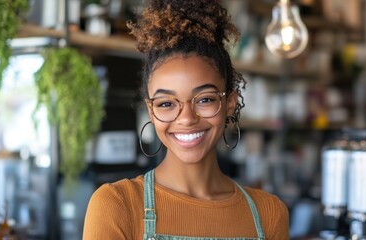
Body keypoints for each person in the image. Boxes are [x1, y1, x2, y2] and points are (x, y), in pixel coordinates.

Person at [83, 0, 289, 239]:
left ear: (230, 103)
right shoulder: (117, 205)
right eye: (166, 104)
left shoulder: (269, 214)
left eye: (204, 99)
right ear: (151, 112)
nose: (187, 118)